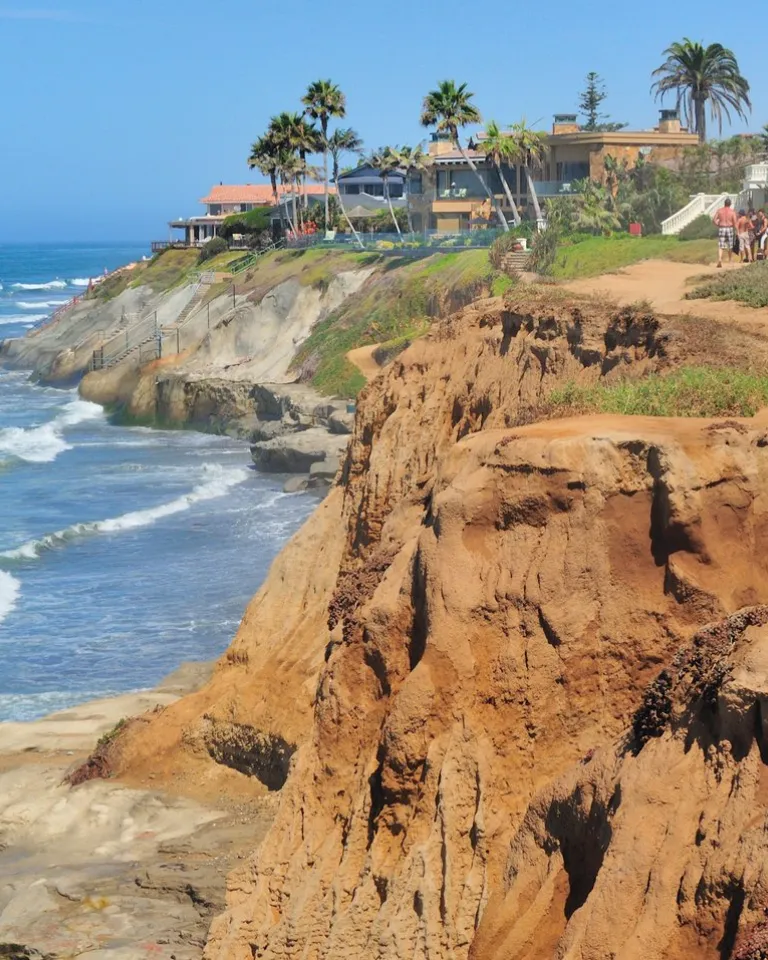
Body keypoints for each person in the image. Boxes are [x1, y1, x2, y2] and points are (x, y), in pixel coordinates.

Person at [713, 198, 738, 267]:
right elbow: (735, 223)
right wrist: (737, 231)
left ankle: (720, 259)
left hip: (722, 228)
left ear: (724, 203)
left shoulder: (719, 211)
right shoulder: (732, 212)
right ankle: (730, 260)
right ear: (730, 204)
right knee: (730, 245)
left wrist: (718, 225)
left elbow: (714, 220)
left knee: (721, 245)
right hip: (729, 228)